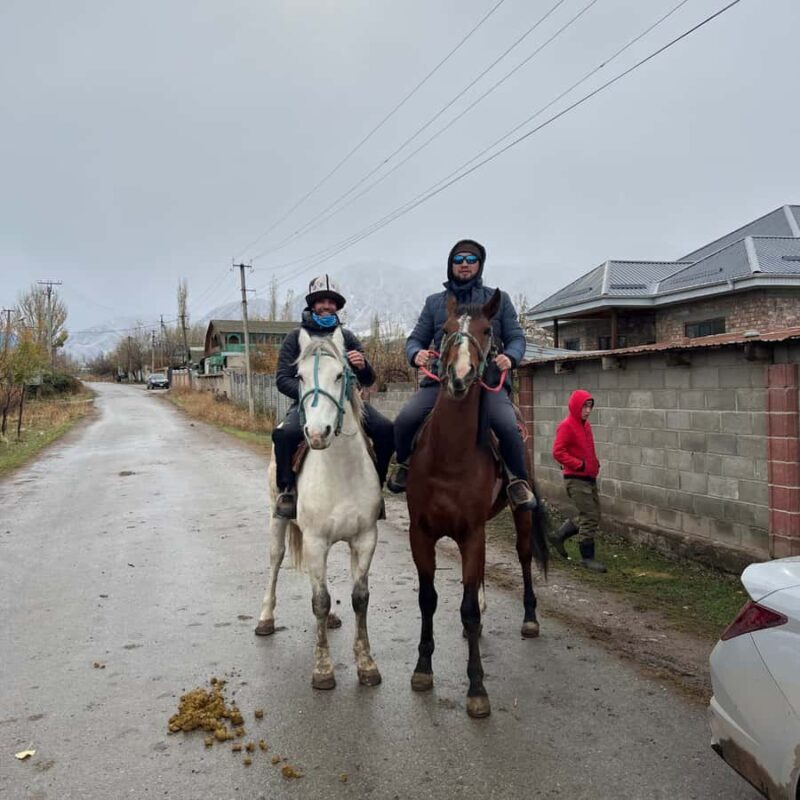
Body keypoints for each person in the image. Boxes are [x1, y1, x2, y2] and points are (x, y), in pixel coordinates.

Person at [386, 239, 536, 511]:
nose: (464, 264)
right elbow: (415, 339)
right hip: (441, 383)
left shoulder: (497, 302)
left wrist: (510, 357)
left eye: (470, 259)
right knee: (405, 419)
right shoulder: (435, 303)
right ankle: (405, 464)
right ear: (450, 265)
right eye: (458, 260)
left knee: (506, 426)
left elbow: (516, 337)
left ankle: (517, 481)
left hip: (487, 383)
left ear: (479, 265)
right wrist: (415, 353)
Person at [272, 274, 394, 520]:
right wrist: (312, 394)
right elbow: (282, 378)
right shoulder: (295, 338)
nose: (326, 306)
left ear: (337, 306)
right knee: (284, 435)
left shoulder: (346, 338)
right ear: (312, 304)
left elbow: (368, 380)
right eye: (321, 301)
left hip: (349, 404)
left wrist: (363, 366)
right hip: (307, 404)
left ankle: (377, 489)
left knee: (385, 429)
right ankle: (287, 491)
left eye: (331, 302)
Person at [549, 389, 607, 572]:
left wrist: (594, 464)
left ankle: (558, 536)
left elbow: (588, 449)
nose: (588, 410)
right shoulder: (567, 426)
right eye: (584, 406)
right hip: (575, 479)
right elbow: (558, 452)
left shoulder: (586, 426)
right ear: (576, 406)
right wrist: (579, 465)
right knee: (589, 516)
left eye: (590, 406)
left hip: (589, 477)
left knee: (593, 514)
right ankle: (587, 557)